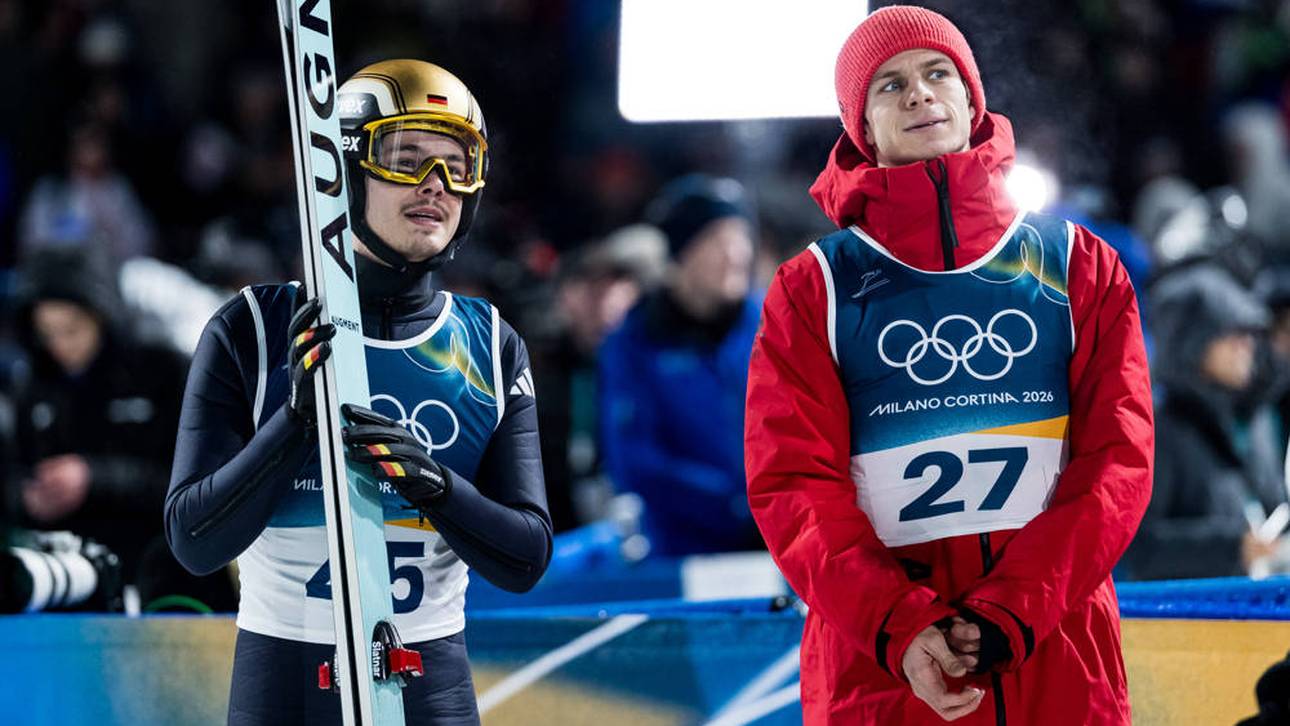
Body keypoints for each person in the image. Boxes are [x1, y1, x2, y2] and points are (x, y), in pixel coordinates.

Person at [744, 7, 1153, 725]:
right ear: (860, 126)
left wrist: (1014, 610)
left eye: (939, 73)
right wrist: (902, 628)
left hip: (1055, 655)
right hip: (883, 672)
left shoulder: (1080, 267)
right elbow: (795, 487)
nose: (920, 94)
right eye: (889, 85)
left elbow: (1117, 465)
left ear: (972, 97)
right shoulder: (812, 290)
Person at [165, 60, 552, 725]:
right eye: (406, 157)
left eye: (458, 165)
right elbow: (194, 541)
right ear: (340, 171)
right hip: (282, 681)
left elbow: (526, 556)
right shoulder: (252, 329)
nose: (436, 186)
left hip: (429, 686)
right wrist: (293, 425)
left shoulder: (488, 341)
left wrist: (431, 483)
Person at [8, 248, 213, 610]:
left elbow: (197, 483)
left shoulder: (162, 371)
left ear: (100, 316)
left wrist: (93, 477)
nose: (61, 345)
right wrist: (30, 497)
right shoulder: (34, 388)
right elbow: (17, 479)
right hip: (73, 579)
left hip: (164, 570)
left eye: (71, 329)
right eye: (47, 332)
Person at [598, 175, 765, 557]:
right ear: (680, 253)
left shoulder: (776, 324)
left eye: (740, 238)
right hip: (684, 555)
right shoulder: (635, 343)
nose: (734, 254)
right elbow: (635, 461)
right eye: (716, 240)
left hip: (785, 541)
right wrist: (736, 507)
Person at [1126, 266, 1289, 579]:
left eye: (1249, 334)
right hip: (1191, 621)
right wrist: (1232, 549)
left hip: (1259, 614)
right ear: (1192, 340)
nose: (1247, 346)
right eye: (1231, 333)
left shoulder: (1255, 423)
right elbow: (1138, 551)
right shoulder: (1159, 432)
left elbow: (1274, 507)